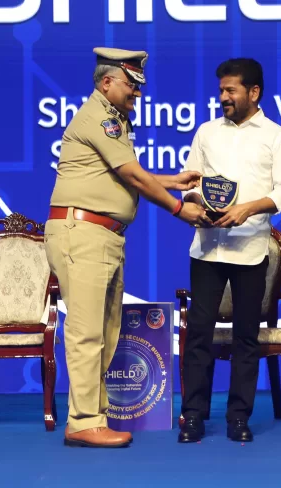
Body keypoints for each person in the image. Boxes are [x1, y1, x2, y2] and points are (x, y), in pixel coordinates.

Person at [44, 47, 209, 448]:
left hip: (103, 236)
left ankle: (91, 416)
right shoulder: (100, 116)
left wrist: (172, 180)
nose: (137, 93)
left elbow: (121, 175)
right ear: (106, 82)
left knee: (104, 333)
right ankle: (83, 421)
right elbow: (132, 177)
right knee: (87, 334)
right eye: (130, 84)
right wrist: (177, 207)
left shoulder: (113, 117)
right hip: (83, 234)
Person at [177, 58, 281, 443]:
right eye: (221, 90)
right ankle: (193, 416)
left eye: (231, 91)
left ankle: (238, 418)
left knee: (247, 337)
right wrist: (195, 204)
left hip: (250, 250)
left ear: (254, 92)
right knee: (199, 335)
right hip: (207, 249)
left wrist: (247, 208)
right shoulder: (206, 132)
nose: (223, 97)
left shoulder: (277, 136)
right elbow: (190, 182)